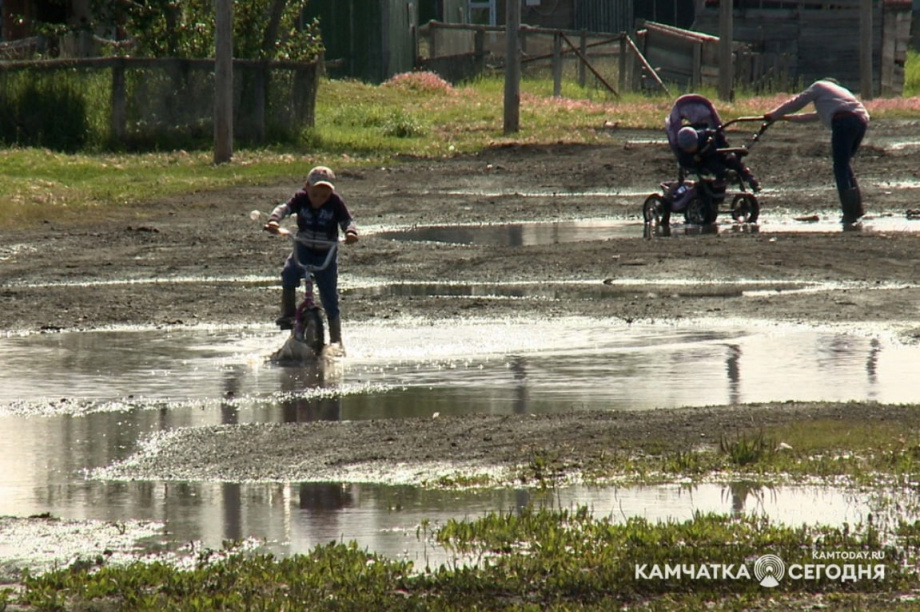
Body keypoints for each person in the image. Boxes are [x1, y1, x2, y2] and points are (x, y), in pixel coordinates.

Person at [263, 165, 358, 347]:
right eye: (315, 194)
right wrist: (274, 221)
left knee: (329, 296)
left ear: (331, 193)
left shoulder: (335, 203)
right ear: (307, 187)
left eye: (324, 196)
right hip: (303, 248)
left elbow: (347, 220)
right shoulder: (301, 199)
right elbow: (284, 208)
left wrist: (350, 232)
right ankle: (288, 314)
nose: (319, 199)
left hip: (326, 252)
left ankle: (336, 340)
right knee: (289, 273)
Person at [764, 78, 870, 224]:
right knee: (844, 165)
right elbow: (812, 117)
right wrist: (784, 118)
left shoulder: (819, 86)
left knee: (840, 167)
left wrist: (773, 114)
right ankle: (856, 210)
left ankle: (849, 213)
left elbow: (797, 102)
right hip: (861, 122)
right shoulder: (839, 97)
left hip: (844, 121)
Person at [675, 125, 760, 193]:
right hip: (704, 162)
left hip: (718, 154)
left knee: (733, 161)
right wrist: (693, 160)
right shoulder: (682, 152)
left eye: (692, 146)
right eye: (688, 148)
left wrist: (724, 145)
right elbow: (683, 161)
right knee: (712, 164)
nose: (691, 149)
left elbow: (719, 137)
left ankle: (751, 180)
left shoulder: (707, 135)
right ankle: (726, 173)